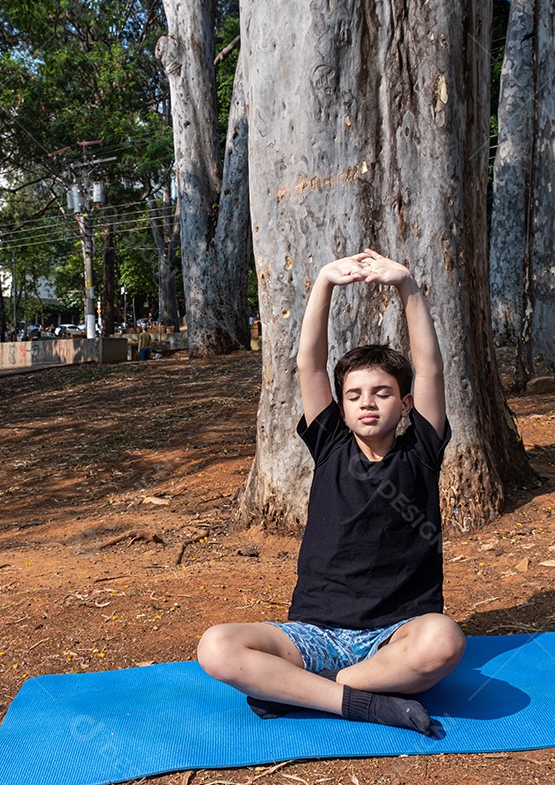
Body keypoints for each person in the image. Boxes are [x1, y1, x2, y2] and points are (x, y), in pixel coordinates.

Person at [197, 249, 465, 736]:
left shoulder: (421, 451)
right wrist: (322, 282)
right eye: (356, 395)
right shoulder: (331, 445)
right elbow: (310, 365)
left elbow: (430, 371)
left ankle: (304, 690)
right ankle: (365, 703)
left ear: (405, 404)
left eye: (382, 393)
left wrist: (407, 286)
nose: (367, 403)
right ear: (340, 410)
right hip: (314, 633)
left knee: (444, 640)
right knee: (216, 646)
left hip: (393, 638)